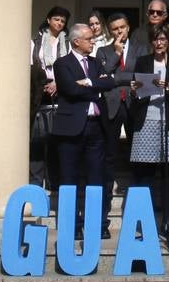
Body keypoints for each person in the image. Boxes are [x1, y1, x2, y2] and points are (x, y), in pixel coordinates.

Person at [52, 23, 123, 240]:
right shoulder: (62, 64)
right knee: (70, 177)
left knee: (96, 177)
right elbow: (70, 89)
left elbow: (110, 82)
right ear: (76, 41)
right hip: (71, 128)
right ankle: (73, 225)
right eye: (89, 38)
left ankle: (98, 223)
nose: (93, 42)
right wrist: (95, 88)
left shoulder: (95, 63)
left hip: (95, 127)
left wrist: (90, 82)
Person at [129, 25, 169, 238]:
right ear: (151, 42)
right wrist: (135, 90)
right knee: (145, 174)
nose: (160, 43)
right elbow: (136, 92)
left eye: (163, 39)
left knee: (168, 174)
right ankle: (144, 223)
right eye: (156, 39)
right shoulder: (143, 61)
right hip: (146, 121)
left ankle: (166, 222)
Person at [94, 12, 140, 238]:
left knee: (138, 160)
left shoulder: (141, 49)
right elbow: (103, 76)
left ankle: (138, 217)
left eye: (122, 27)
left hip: (134, 106)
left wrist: (117, 77)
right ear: (110, 31)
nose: (119, 32)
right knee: (108, 161)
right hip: (111, 108)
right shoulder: (104, 51)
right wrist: (117, 52)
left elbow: (144, 77)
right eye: (114, 29)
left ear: (128, 27)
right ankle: (103, 219)